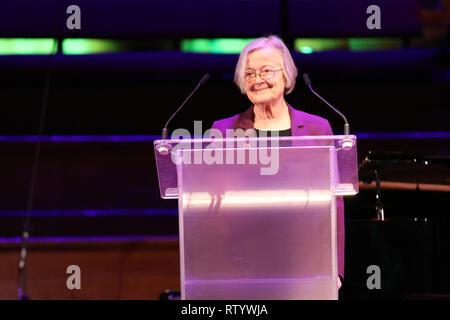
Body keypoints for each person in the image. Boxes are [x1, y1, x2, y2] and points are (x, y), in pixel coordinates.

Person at [211, 35, 344, 290]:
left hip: (305, 259)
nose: (257, 79)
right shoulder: (224, 131)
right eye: (249, 73)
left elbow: (333, 204)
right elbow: (210, 199)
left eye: (266, 70)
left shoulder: (318, 128)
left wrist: (334, 267)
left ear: (286, 75)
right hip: (243, 263)